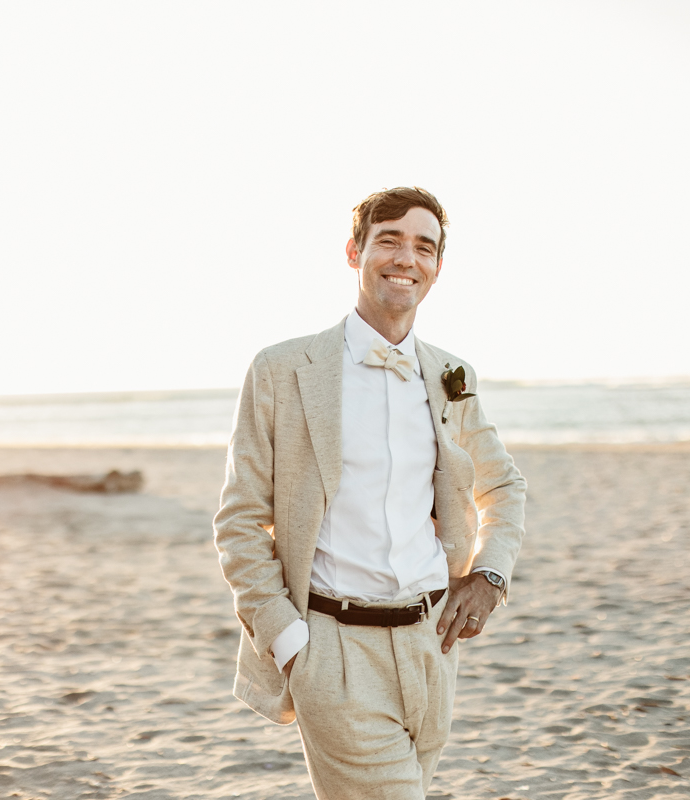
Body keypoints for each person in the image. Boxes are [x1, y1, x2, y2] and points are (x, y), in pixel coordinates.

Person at [213, 186, 527, 800]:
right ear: (355, 251)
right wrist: (289, 640)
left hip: (431, 649)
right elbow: (241, 520)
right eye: (389, 240)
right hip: (333, 650)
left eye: (424, 247)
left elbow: (504, 485)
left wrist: (490, 577)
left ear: (437, 268)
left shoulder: (447, 375)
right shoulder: (281, 370)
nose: (406, 257)